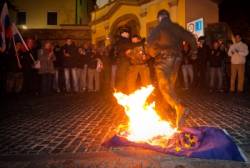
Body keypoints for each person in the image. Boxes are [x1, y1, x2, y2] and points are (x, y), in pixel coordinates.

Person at [147, 9, 197, 129]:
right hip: (177, 59)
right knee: (170, 86)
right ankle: (171, 113)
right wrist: (194, 51)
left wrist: (155, 53)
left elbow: (149, 44)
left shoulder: (158, 28)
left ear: (159, 18)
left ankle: (179, 107)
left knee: (164, 87)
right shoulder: (176, 27)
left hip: (163, 60)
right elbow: (191, 37)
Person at [114, 27, 132, 93]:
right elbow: (130, 48)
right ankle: (122, 91)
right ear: (123, 33)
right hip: (124, 61)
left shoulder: (119, 41)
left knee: (122, 77)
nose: (128, 34)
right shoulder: (124, 40)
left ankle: (120, 91)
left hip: (122, 61)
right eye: (127, 33)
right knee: (124, 77)